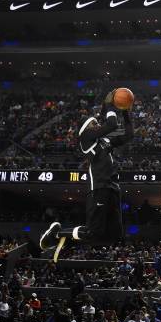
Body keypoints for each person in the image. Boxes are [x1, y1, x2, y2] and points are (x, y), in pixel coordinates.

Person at [39, 90, 134, 261]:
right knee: (93, 231)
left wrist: (126, 111)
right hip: (98, 186)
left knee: (112, 236)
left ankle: (64, 238)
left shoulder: (104, 142)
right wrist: (111, 105)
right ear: (87, 126)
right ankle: (57, 233)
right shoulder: (86, 137)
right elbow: (111, 124)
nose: (98, 124)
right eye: (95, 123)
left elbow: (129, 135)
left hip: (113, 188)